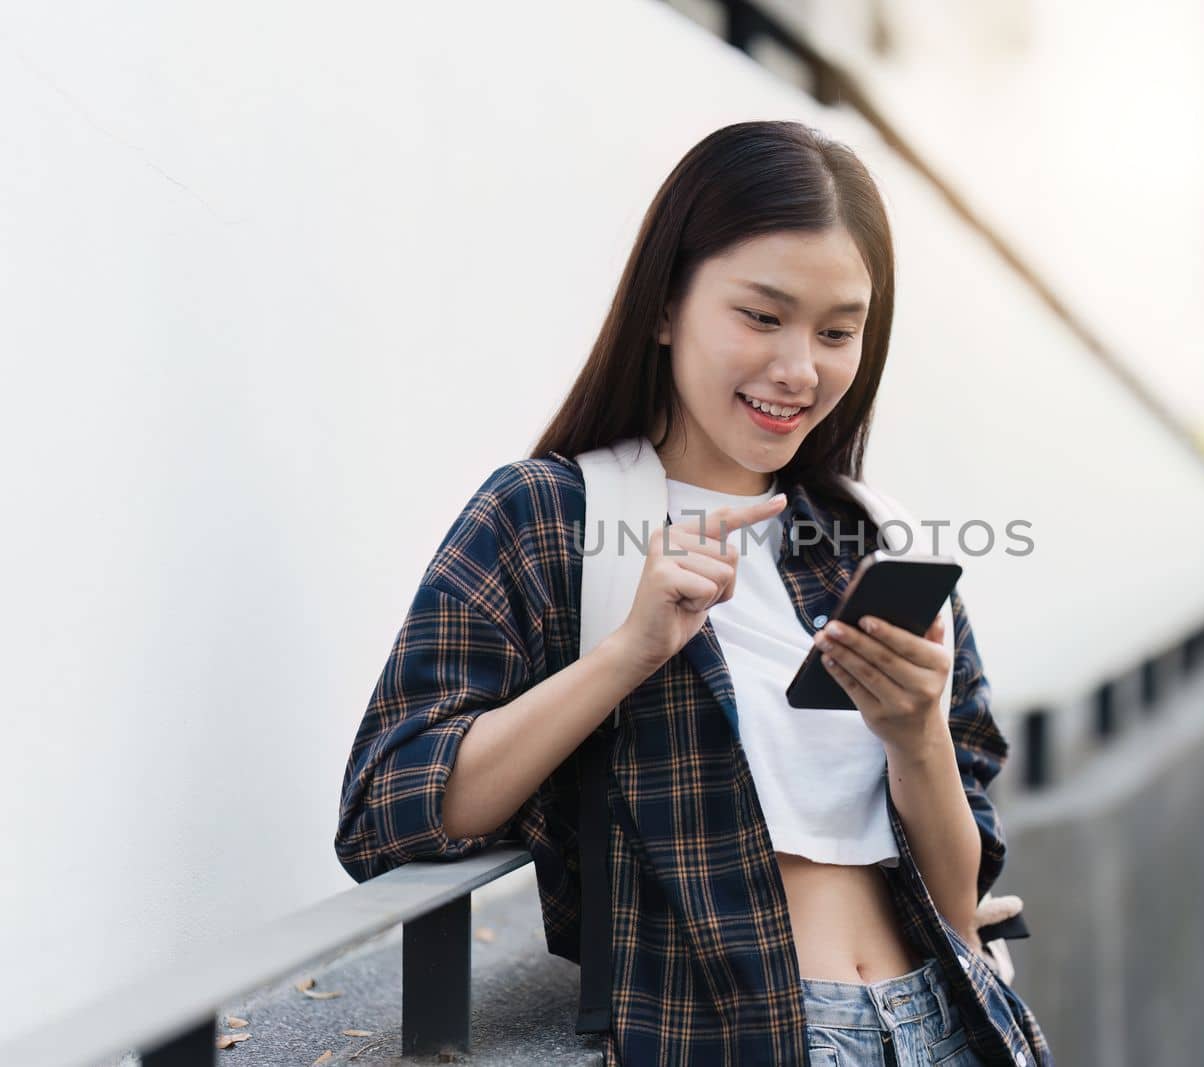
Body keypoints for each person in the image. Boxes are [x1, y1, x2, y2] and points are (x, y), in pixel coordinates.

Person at [334, 119, 1052, 1067]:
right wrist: (629, 652)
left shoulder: (872, 539)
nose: (801, 368)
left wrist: (917, 733)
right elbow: (389, 806)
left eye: (838, 331)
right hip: (738, 1038)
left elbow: (959, 905)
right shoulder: (552, 516)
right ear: (667, 305)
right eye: (762, 316)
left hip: (939, 1026)